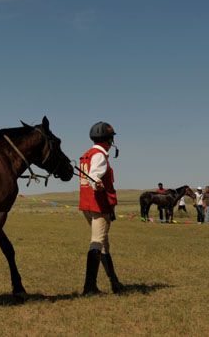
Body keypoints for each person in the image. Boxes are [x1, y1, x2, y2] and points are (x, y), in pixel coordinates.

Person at [78, 121, 122, 294]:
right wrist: (96, 183)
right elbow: (94, 175)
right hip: (99, 206)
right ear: (108, 139)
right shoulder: (99, 155)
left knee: (104, 244)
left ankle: (115, 283)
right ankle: (89, 287)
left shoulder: (88, 153)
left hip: (87, 206)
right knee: (97, 243)